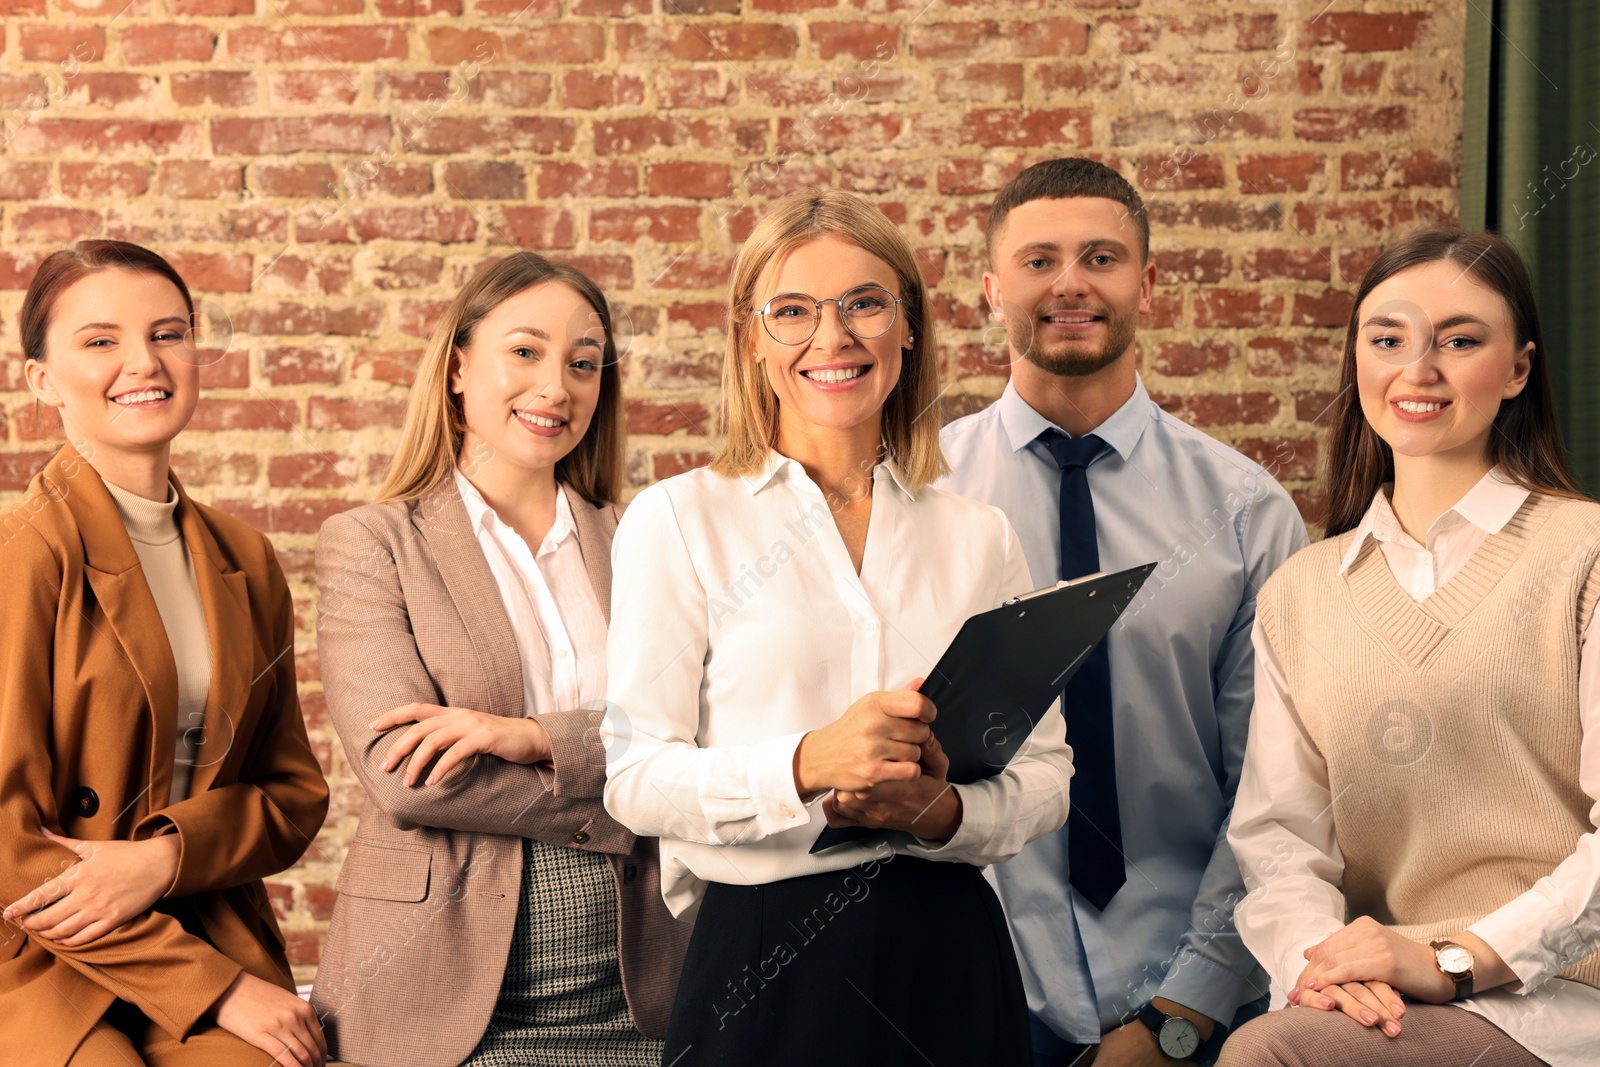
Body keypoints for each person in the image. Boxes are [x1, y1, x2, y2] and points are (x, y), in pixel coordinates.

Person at [601, 189, 1074, 1067]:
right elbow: (634, 777)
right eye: (792, 311)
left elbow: (1048, 777)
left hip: (952, 955)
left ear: (908, 328)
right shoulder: (679, 521)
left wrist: (944, 813)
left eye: (864, 303)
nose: (834, 337)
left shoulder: (978, 536)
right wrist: (808, 762)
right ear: (752, 338)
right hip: (763, 965)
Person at [937, 158, 1309, 1066]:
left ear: (1147, 282)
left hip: (1198, 1009)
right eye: (1038, 260)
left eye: (1100, 257)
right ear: (992, 290)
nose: (1069, 282)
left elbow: (1281, 790)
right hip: (969, 994)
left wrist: (1185, 1011)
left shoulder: (1248, 511)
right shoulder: (917, 498)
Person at [1218, 228, 1600, 1067]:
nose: (1417, 369)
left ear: (1520, 369)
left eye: (1459, 341)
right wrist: (1327, 968)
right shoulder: (1301, 593)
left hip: (1564, 996)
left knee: (1270, 1056)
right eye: (1387, 339)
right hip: (1390, 999)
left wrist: (1453, 960)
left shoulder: (1586, 554)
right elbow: (1280, 839)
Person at [309, 252, 688, 1067]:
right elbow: (405, 775)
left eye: (583, 364)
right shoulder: (372, 543)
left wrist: (530, 737)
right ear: (456, 368)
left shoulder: (648, 538)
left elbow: (701, 741)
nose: (556, 386)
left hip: (645, 983)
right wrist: (630, 782)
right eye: (525, 351)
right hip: (442, 990)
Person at [0, 240, 331, 1066]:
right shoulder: (21, 556)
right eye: (101, 339)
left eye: (169, 333)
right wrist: (214, 987)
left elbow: (292, 793)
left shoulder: (247, 559)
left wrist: (164, 856)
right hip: (39, 953)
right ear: (41, 377)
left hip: (200, 917)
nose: (144, 362)